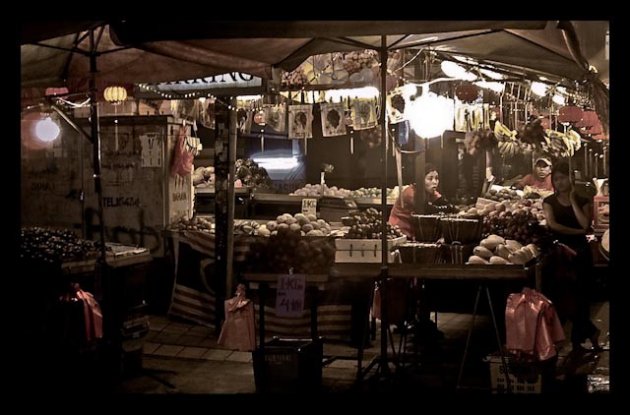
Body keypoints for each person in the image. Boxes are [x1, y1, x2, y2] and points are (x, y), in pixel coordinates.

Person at [542, 162, 602, 352]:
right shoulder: (549, 202)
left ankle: (578, 341)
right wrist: (577, 231)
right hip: (560, 253)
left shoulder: (584, 200)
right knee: (565, 298)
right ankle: (591, 332)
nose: (560, 182)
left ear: (571, 178)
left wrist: (573, 199)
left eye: (563, 178)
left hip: (581, 253)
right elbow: (553, 225)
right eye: (556, 179)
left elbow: (585, 223)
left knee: (582, 297)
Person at [389, 163, 456, 239]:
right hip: (399, 230)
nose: (434, 182)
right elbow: (427, 208)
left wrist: (457, 209)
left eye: (436, 178)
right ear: (420, 180)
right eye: (430, 179)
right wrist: (448, 208)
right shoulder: (410, 193)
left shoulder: (430, 192)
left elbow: (443, 202)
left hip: (412, 230)